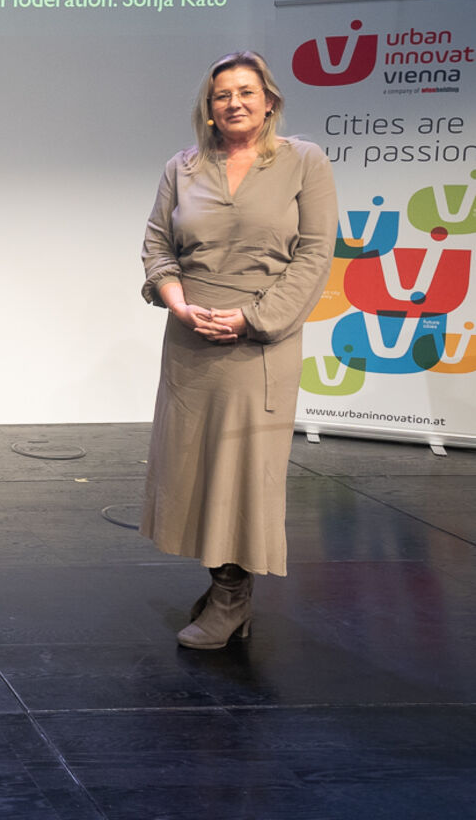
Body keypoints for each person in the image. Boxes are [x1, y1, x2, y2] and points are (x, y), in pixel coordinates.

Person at [140, 51, 337, 649]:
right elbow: (156, 247)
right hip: (191, 340)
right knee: (194, 471)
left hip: (260, 343)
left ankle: (232, 597)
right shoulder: (184, 166)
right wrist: (176, 302)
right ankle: (220, 581)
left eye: (247, 92)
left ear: (270, 101)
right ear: (209, 106)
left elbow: (314, 255)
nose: (234, 103)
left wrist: (254, 319)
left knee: (243, 472)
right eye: (222, 94)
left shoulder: (305, 162)